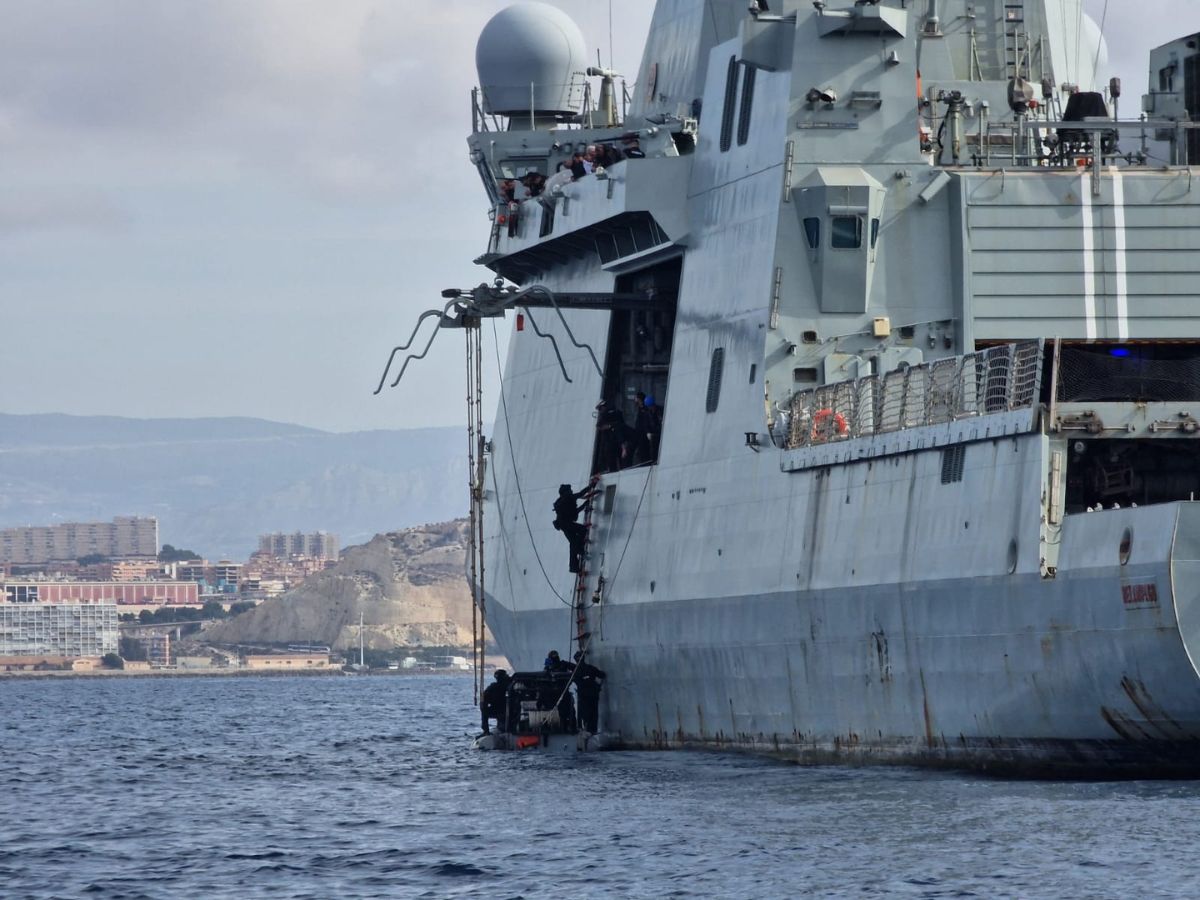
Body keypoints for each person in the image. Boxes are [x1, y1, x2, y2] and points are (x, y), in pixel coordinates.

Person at [553, 484, 595, 574]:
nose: (571, 491)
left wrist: (583, 505)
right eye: (570, 490)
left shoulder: (561, 501)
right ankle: (580, 550)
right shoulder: (568, 497)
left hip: (564, 526)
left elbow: (572, 512)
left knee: (573, 543)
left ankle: (574, 567)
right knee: (582, 530)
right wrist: (592, 485)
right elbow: (580, 494)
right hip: (567, 524)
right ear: (566, 491)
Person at [572, 651, 607, 734]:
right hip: (593, 695)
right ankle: (592, 730)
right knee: (593, 714)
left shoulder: (576, 672)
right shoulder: (591, 668)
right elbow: (602, 675)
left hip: (584, 696)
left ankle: (587, 729)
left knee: (585, 714)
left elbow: (577, 681)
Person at [595, 399, 626, 473]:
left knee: (611, 460)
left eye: (600, 409)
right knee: (620, 459)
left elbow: (598, 426)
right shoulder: (616, 412)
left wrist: (609, 426)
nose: (600, 411)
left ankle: (612, 470)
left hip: (610, 441)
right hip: (618, 439)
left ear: (602, 407)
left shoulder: (605, 414)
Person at [480, 669, 511, 735]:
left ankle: (486, 731)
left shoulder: (495, 687)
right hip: (504, 710)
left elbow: (484, 697)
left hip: (507, 710)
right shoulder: (509, 685)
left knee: (484, 710)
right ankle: (486, 731)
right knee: (484, 710)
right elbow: (484, 697)